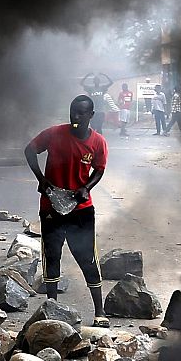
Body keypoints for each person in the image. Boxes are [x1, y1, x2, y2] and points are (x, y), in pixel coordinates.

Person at [25, 96, 111, 327]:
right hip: (51, 205)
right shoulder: (53, 134)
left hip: (81, 209)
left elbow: (99, 170)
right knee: (52, 256)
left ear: (90, 115)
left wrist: (86, 187)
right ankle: (52, 308)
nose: (75, 117)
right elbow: (29, 150)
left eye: (81, 113)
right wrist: (41, 179)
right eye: (73, 111)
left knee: (88, 258)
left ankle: (100, 312)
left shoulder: (98, 142)